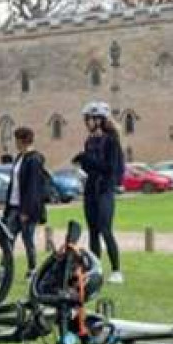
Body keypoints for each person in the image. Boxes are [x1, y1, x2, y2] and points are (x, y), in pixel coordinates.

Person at [73, 102, 125, 284]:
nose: (86, 123)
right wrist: (82, 167)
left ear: (98, 120)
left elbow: (110, 169)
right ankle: (96, 270)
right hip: (90, 191)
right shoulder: (89, 141)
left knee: (105, 229)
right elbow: (91, 168)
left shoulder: (111, 141)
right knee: (93, 231)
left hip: (104, 190)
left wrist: (87, 160)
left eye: (88, 119)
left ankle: (117, 270)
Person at [2, 125, 48, 275]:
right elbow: (14, 183)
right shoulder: (19, 158)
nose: (15, 143)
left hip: (26, 208)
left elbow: (33, 188)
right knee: (8, 237)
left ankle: (32, 269)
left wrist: (26, 211)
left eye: (17, 140)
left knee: (28, 239)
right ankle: (4, 268)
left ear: (23, 141)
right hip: (14, 206)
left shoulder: (34, 159)